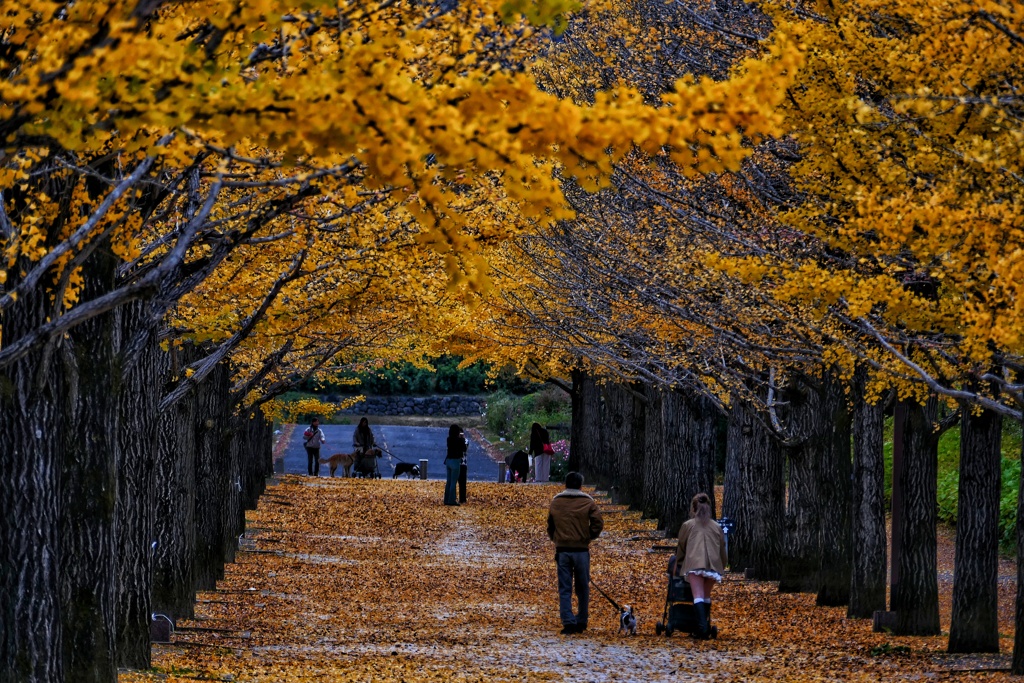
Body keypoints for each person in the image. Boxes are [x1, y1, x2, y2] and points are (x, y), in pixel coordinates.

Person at [547, 471, 603, 634]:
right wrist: (589, 536)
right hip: (581, 550)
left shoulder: (556, 502)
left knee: (564, 587)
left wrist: (556, 538)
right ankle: (582, 619)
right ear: (580, 485)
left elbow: (550, 525)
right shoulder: (587, 502)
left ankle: (568, 621)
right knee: (582, 587)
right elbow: (598, 523)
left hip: (563, 550)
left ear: (565, 484)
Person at [674, 492, 727, 639]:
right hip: (713, 566)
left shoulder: (688, 525)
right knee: (706, 595)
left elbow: (682, 546)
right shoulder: (716, 527)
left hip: (695, 564)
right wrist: (722, 565)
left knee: (697, 595)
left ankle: (702, 629)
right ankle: (705, 627)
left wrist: (679, 562)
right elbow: (722, 548)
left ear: (694, 507)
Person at [443, 424, 464, 506]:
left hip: (448, 460)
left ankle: (446, 499)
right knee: (453, 482)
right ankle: (452, 500)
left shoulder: (449, 439)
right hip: (455, 461)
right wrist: (462, 438)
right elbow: (463, 448)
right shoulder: (459, 440)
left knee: (449, 481)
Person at [458, 427, 469, 503]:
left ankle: (462, 499)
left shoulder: (465, 441)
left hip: (463, 463)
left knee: (463, 482)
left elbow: (464, 448)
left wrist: (462, 439)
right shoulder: (454, 440)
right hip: (456, 463)